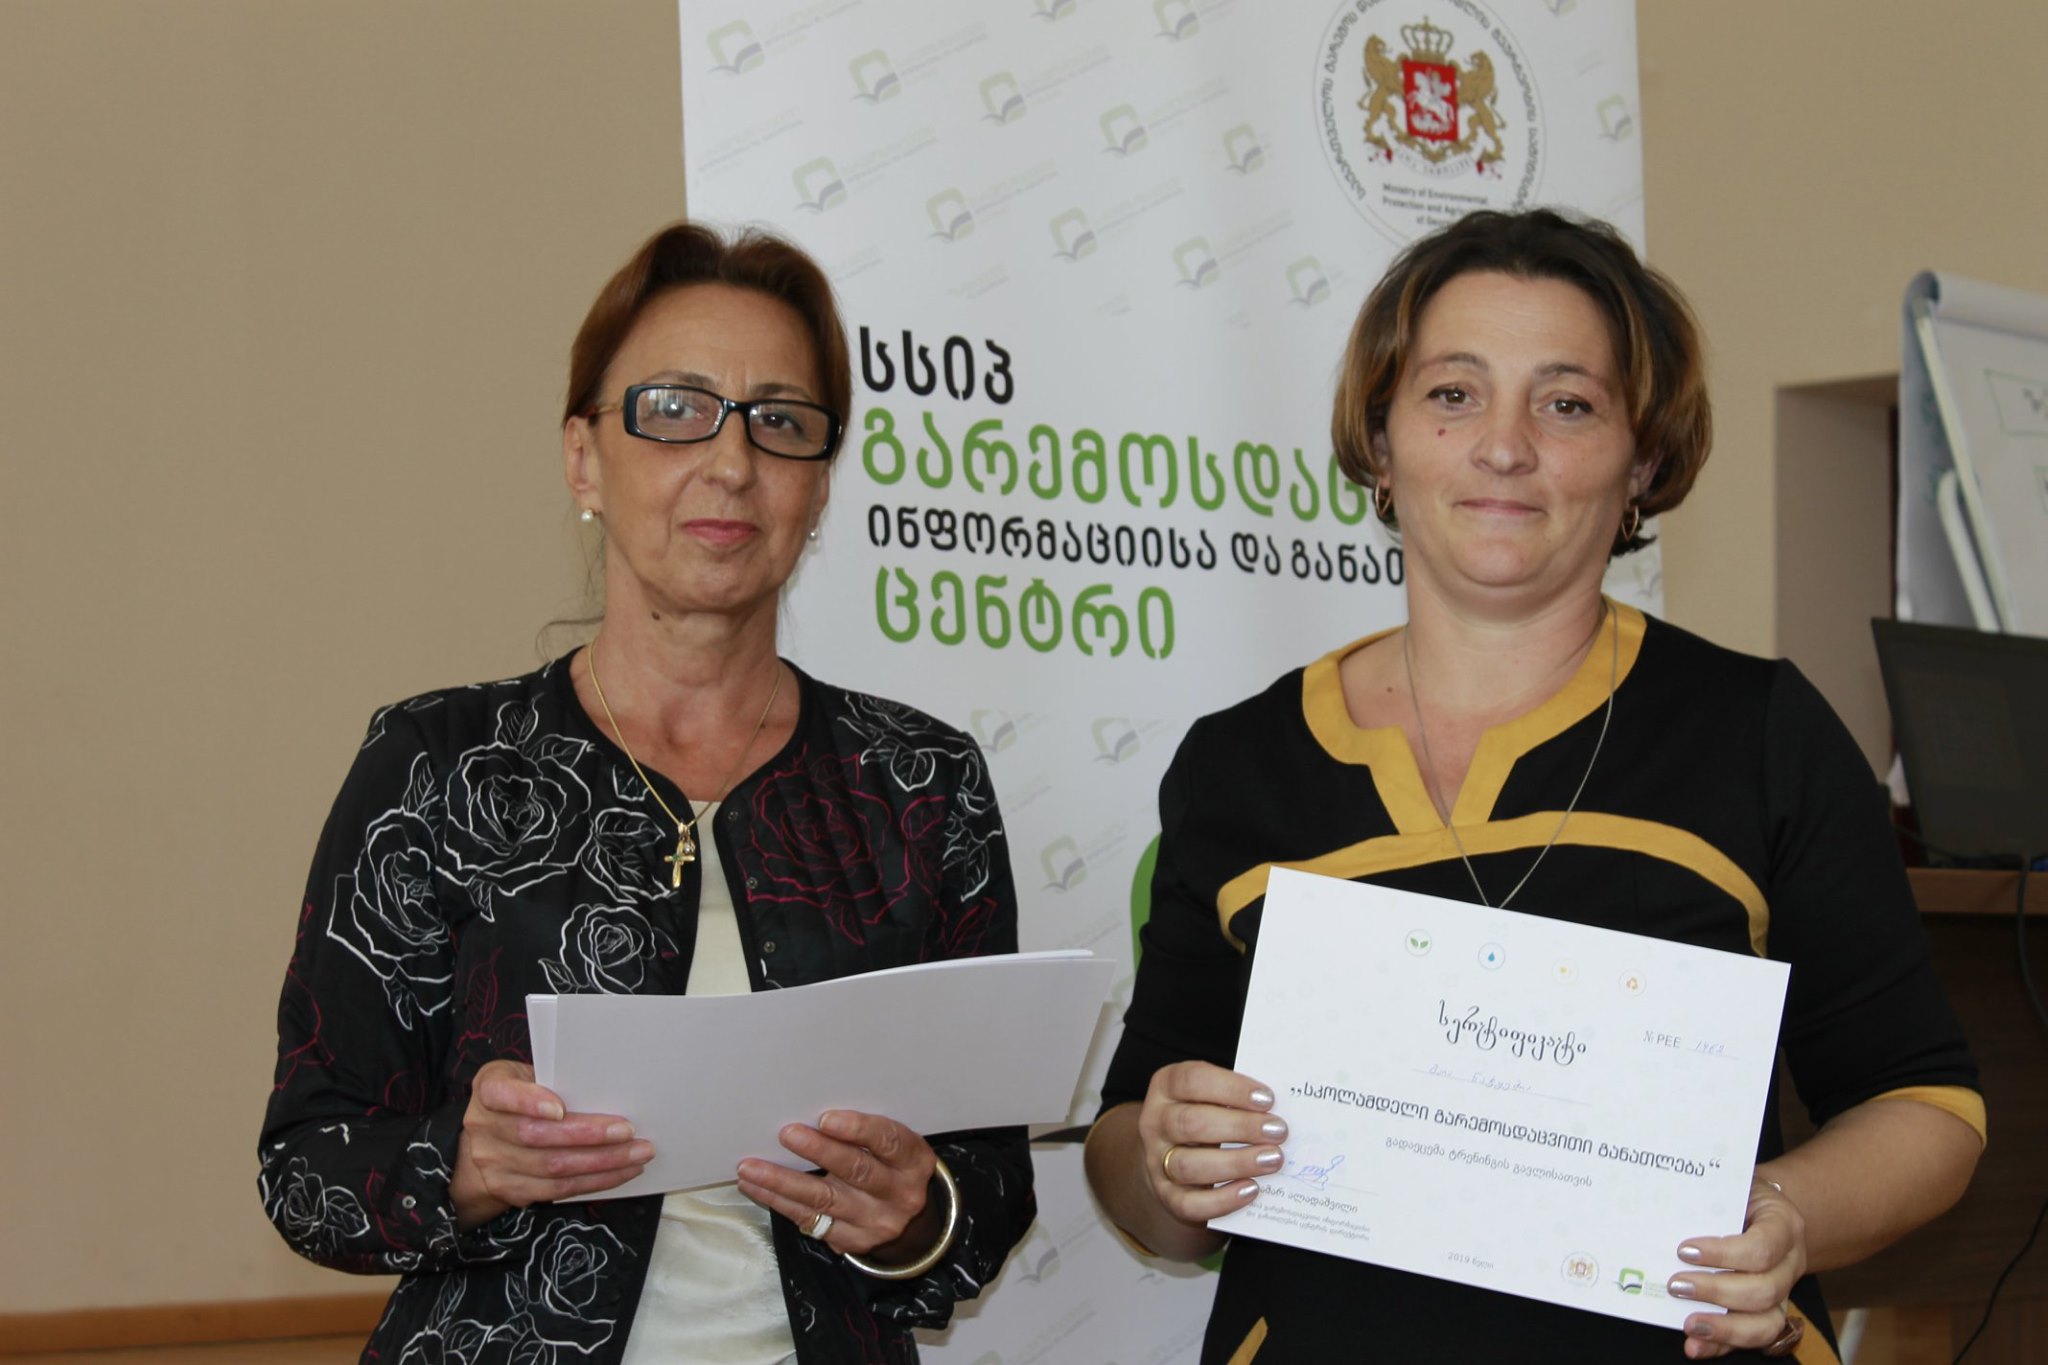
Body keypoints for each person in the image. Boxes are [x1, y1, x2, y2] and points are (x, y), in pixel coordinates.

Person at [1083, 208, 1984, 1363]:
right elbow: (1133, 1163)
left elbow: (1927, 1105)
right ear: (1378, 441)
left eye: (1565, 404)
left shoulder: (1755, 732)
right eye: (1451, 393)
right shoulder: (1237, 763)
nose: (1502, 447)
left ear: (1640, 460)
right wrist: (1164, 1159)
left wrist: (1784, 1215)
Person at [259, 222, 1033, 1365]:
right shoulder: (438, 762)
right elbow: (305, 1167)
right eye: (674, 410)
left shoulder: (919, 783)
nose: (732, 463)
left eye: (780, 421)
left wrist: (917, 1215)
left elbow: (987, 1188)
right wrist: (461, 1167)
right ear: (583, 457)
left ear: (819, 483)